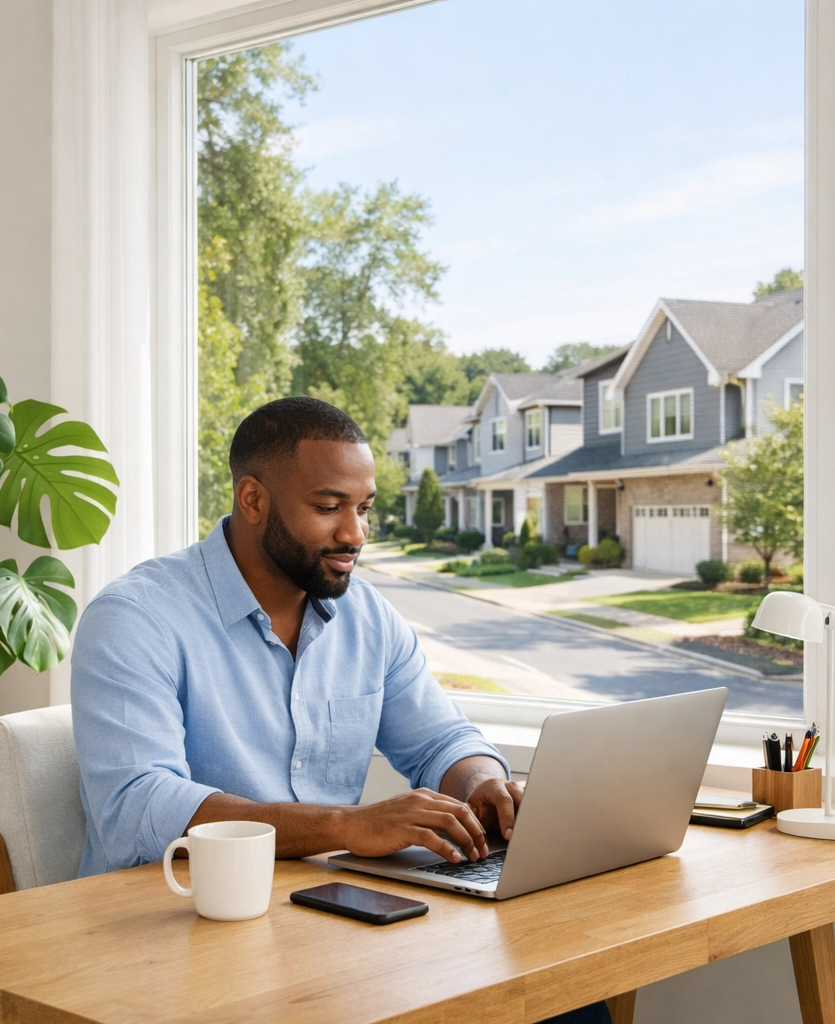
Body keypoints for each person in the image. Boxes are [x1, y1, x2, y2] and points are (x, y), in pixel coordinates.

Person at [71, 397, 610, 1024]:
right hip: (169, 939)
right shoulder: (137, 618)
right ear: (253, 500)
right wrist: (344, 827)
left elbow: (439, 740)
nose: (354, 533)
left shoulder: (366, 615)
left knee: (560, 997)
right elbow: (136, 805)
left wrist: (483, 785)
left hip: (324, 924)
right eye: (328, 508)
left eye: (364, 509)